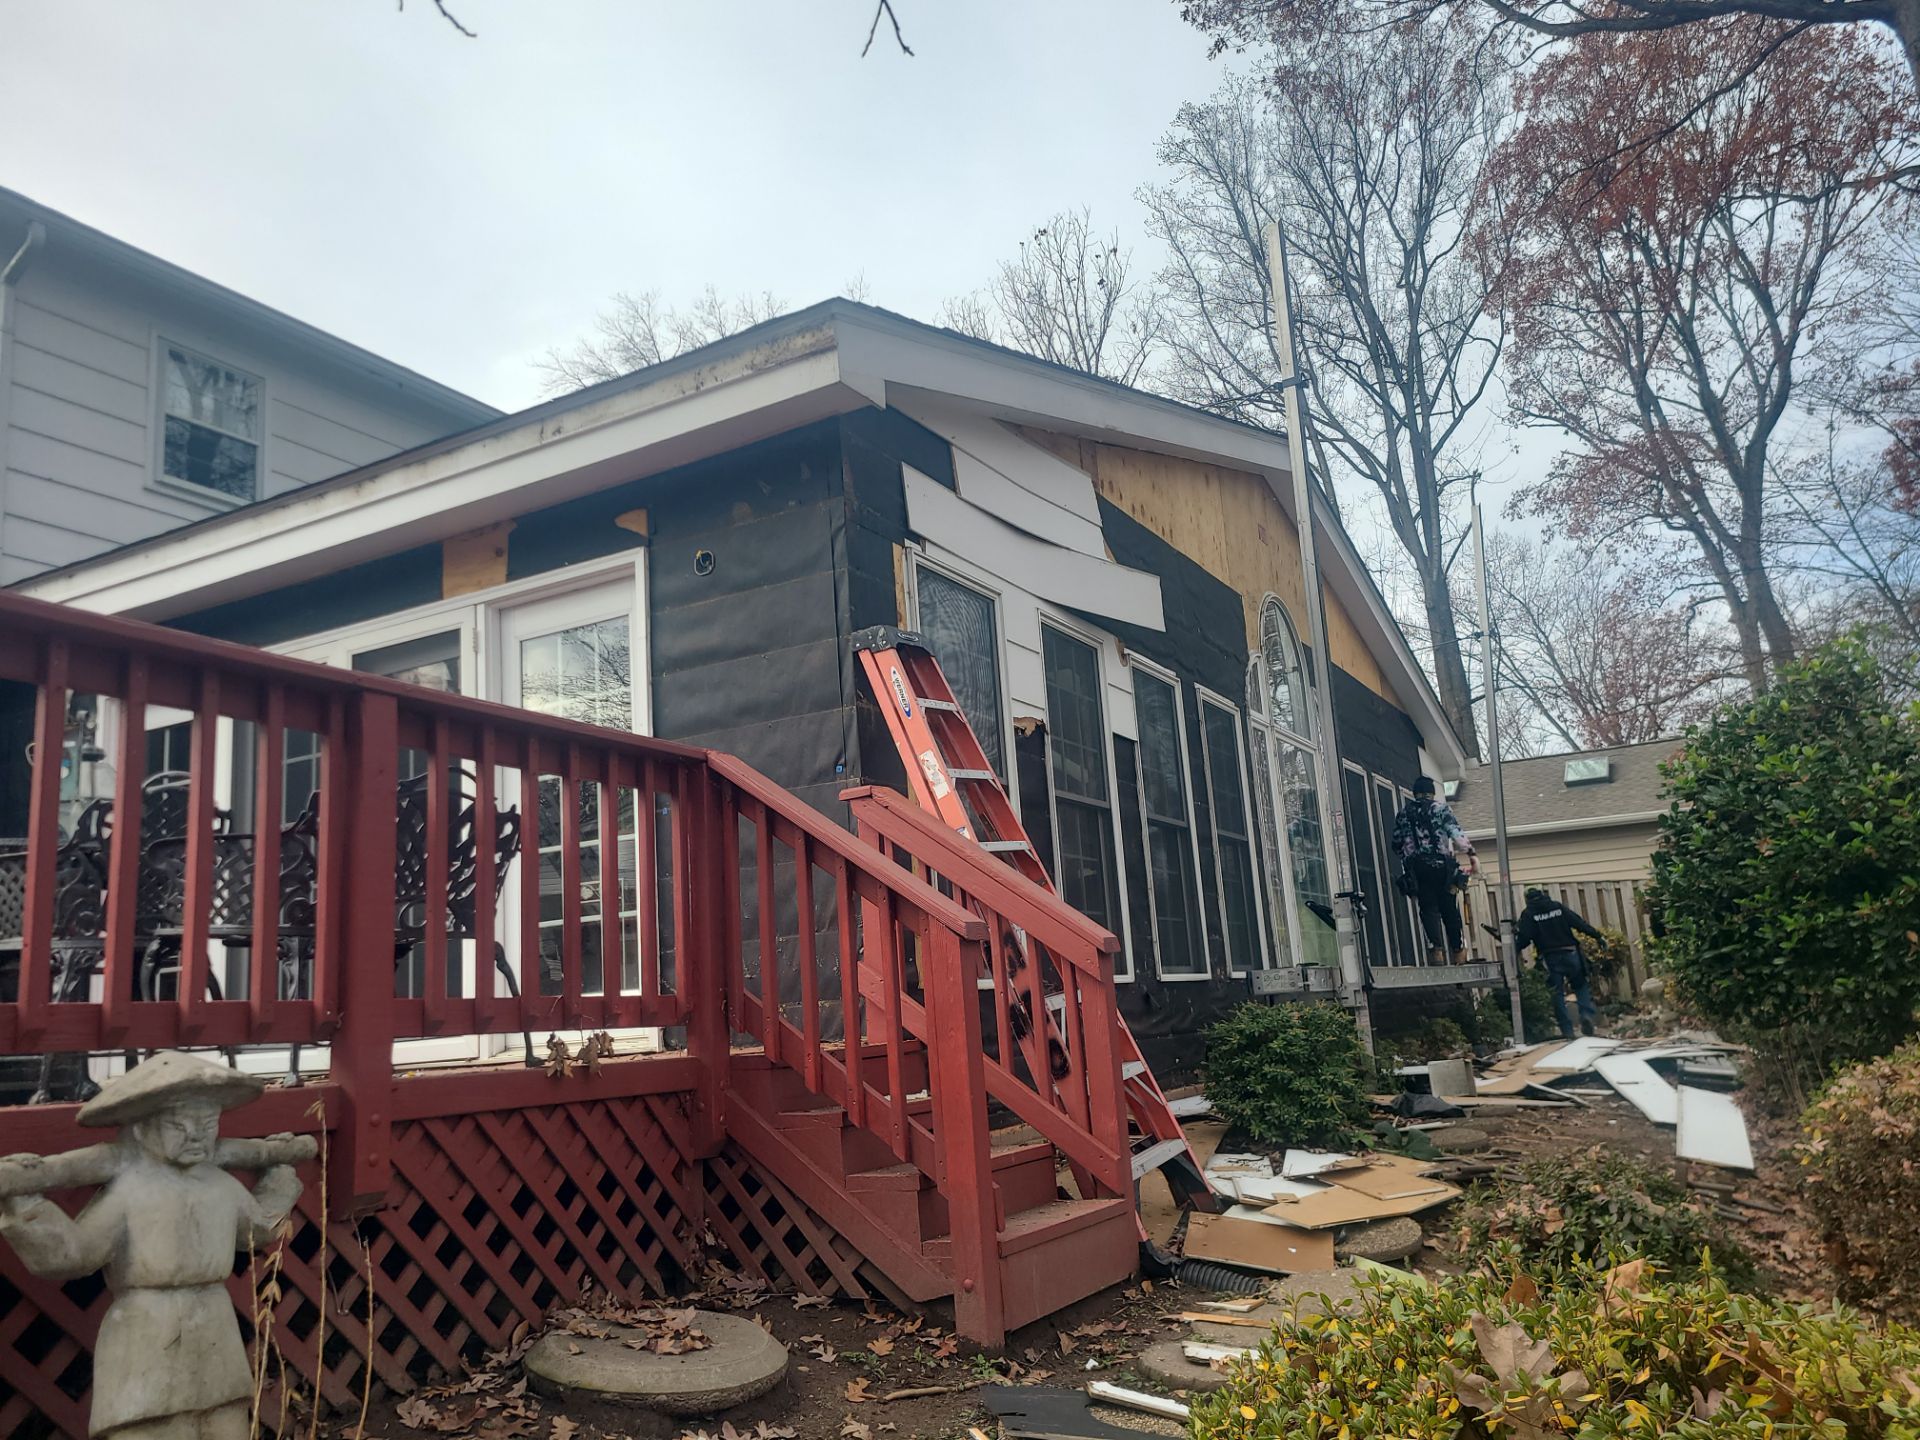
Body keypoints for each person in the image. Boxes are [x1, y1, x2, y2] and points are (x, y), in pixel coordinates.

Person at [1391, 775, 1473, 965]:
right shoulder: (1441, 809)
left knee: (1428, 909)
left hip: (1419, 869)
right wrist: (1472, 855)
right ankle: (1458, 952)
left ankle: (1436, 951)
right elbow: (1456, 833)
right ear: (1432, 792)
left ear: (1415, 793)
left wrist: (1409, 853)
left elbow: (1396, 844)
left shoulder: (1404, 814)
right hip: (1442, 867)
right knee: (1449, 909)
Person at [1516, 886, 1603, 1039]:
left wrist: (1513, 947)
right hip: (1571, 953)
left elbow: (1524, 938)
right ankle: (1586, 1015)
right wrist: (1597, 936)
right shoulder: (1557, 907)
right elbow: (1578, 922)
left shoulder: (1529, 914)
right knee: (1581, 985)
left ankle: (1567, 1030)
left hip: (1550, 958)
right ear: (1542, 895)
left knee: (1556, 994)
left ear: (1527, 899)